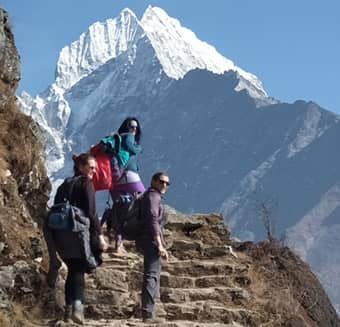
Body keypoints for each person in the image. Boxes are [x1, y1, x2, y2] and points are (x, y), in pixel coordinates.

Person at [44, 153, 107, 324]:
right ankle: (78, 309)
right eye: (91, 167)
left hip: (60, 232)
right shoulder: (86, 183)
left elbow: (56, 204)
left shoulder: (65, 184)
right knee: (78, 268)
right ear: (81, 167)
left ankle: (68, 310)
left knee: (72, 267)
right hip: (78, 231)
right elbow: (92, 212)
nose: (94, 171)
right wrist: (100, 235)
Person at [136, 172, 170, 323]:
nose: (164, 185)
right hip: (150, 239)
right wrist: (159, 244)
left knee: (154, 274)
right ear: (153, 181)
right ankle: (148, 313)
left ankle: (151, 310)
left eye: (167, 183)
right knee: (151, 274)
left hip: (146, 239)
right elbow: (153, 220)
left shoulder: (150, 196)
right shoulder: (153, 196)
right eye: (161, 182)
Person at [109, 117, 145, 253]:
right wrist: (139, 147)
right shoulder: (128, 137)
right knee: (145, 198)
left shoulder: (115, 140)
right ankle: (146, 237)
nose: (134, 129)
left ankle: (119, 243)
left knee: (120, 208)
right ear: (127, 127)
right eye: (132, 126)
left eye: (136, 127)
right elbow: (132, 149)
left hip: (114, 178)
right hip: (129, 176)